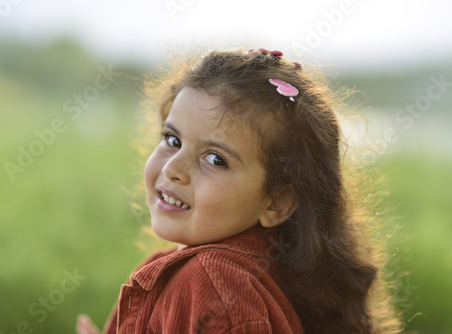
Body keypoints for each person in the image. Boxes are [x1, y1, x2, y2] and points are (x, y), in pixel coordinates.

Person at [76, 48, 402, 333]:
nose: (173, 168)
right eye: (172, 140)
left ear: (277, 202)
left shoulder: (214, 284)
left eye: (215, 159)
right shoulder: (266, 267)